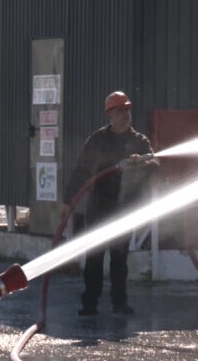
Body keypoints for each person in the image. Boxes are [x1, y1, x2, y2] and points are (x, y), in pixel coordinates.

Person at [62, 91, 158, 316]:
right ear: (110, 115)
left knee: (119, 258)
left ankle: (119, 303)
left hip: (124, 208)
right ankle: (89, 304)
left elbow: (155, 163)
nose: (126, 115)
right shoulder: (98, 140)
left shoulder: (139, 141)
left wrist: (141, 163)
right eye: (120, 111)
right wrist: (68, 202)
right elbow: (81, 171)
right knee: (94, 257)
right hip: (99, 206)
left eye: (127, 110)